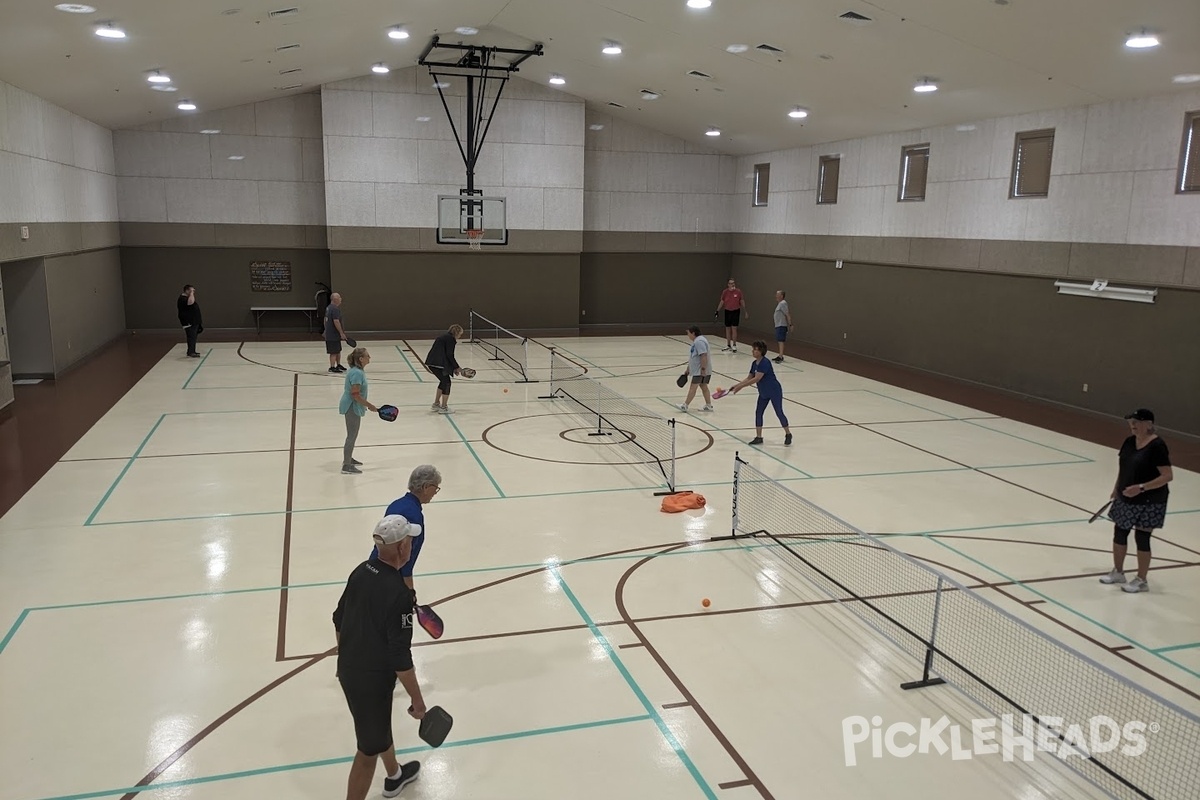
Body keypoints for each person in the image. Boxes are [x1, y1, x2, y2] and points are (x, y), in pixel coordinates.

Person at [333, 515, 427, 800]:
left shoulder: (361, 571)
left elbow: (338, 619)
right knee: (367, 751)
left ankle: (394, 776)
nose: (412, 545)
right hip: (370, 683)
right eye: (410, 541)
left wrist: (347, 658)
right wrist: (418, 700)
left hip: (351, 670)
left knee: (377, 728)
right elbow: (400, 656)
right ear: (401, 549)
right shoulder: (398, 593)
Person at [1099, 409, 1173, 593]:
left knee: (1142, 537)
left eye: (1137, 422)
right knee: (1120, 532)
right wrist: (1117, 488)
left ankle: (1141, 580)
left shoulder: (1157, 446)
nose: (1133, 425)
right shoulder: (1129, 442)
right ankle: (1118, 572)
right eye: (1131, 421)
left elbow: (1167, 476)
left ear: (1149, 424)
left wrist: (1140, 488)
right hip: (1125, 495)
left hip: (1150, 500)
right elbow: (1122, 467)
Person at [369, 465, 442, 602]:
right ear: (426, 487)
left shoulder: (396, 504)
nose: (436, 492)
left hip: (374, 566)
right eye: (436, 487)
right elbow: (406, 557)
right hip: (391, 577)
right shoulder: (414, 515)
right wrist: (410, 593)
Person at [729, 340, 793, 446]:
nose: (753, 351)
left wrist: (740, 387)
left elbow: (756, 379)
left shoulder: (765, 363)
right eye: (753, 349)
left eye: (755, 349)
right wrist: (736, 385)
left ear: (761, 351)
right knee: (758, 412)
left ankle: (788, 433)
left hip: (774, 391)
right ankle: (759, 437)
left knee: (779, 412)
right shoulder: (754, 364)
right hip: (763, 392)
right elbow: (749, 377)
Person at [340, 348, 378, 475]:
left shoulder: (358, 371)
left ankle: (348, 458)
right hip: (351, 406)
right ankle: (346, 465)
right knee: (351, 435)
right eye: (367, 356)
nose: (370, 357)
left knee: (352, 434)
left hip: (354, 406)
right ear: (361, 359)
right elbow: (355, 395)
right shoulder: (357, 373)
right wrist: (370, 405)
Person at [425, 325, 463, 414]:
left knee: (443, 381)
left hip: (432, 362)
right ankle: (444, 407)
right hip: (439, 364)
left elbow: (445, 354)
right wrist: (457, 367)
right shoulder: (451, 339)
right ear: (456, 333)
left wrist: (453, 368)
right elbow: (449, 355)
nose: (460, 336)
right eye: (460, 334)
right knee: (447, 383)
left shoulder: (444, 337)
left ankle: (436, 404)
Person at [677, 325, 713, 413]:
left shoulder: (699, 341)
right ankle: (708, 405)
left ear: (693, 333)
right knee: (703, 386)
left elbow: (703, 355)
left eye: (688, 333)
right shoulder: (697, 341)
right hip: (700, 370)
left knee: (693, 387)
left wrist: (703, 370)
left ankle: (685, 405)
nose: (688, 335)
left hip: (700, 370)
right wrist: (688, 369)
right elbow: (694, 357)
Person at [715, 278, 747, 352]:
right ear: (728, 284)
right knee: (727, 328)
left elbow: (742, 301)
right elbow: (722, 301)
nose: (732, 284)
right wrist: (717, 310)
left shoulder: (738, 292)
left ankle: (734, 345)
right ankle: (728, 344)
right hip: (727, 311)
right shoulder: (725, 292)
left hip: (735, 311)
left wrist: (745, 311)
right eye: (730, 283)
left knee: (734, 328)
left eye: (733, 283)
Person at [177, 284, 202, 358]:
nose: (193, 292)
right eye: (191, 290)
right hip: (189, 322)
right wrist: (191, 294)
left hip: (194, 321)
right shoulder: (182, 299)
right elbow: (190, 302)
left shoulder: (186, 297)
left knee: (193, 337)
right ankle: (191, 352)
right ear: (187, 290)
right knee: (191, 336)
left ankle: (192, 350)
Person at [326, 292, 349, 373]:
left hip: (332, 333)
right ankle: (332, 367)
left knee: (338, 350)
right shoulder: (334, 309)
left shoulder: (329, 308)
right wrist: (341, 333)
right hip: (333, 334)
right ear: (335, 299)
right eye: (339, 298)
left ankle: (338, 365)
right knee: (333, 351)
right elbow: (336, 321)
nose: (341, 299)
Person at [772, 290, 793, 363]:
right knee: (779, 340)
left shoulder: (783, 303)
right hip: (778, 325)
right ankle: (780, 355)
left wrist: (790, 324)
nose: (776, 296)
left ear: (781, 296)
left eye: (777, 295)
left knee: (781, 340)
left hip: (781, 325)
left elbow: (787, 314)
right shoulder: (779, 304)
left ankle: (781, 356)